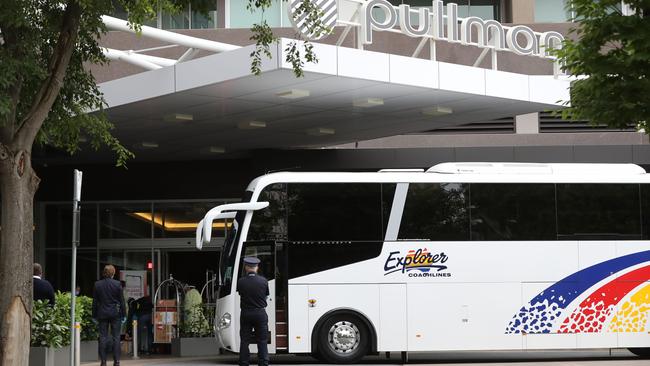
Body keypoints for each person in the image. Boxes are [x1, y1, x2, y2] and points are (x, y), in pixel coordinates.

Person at [237, 257, 270, 366]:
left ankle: (244, 362)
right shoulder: (264, 281)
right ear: (257, 267)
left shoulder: (241, 282)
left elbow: (241, 294)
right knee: (262, 340)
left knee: (245, 340)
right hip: (260, 313)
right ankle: (263, 362)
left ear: (246, 267)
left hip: (246, 313)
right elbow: (266, 296)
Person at [93, 264, 126, 366]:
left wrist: (94, 315)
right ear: (113, 273)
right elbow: (122, 301)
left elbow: (95, 302)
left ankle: (103, 362)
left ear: (104, 272)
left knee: (103, 337)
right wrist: (124, 314)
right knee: (116, 337)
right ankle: (116, 361)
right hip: (115, 314)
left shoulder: (97, 284)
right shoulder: (117, 284)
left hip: (102, 313)